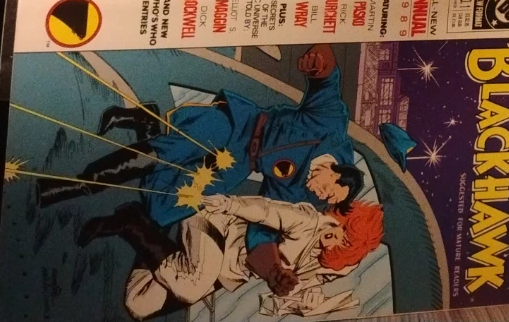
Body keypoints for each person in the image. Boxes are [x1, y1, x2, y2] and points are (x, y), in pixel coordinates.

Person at [41, 46, 358, 236]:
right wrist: (319, 61)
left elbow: (265, 220)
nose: (321, 194)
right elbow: (327, 74)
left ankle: (145, 122)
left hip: (238, 163)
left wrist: (271, 266)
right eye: (329, 190)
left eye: (326, 198)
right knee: (168, 152)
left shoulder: (301, 192)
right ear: (336, 171)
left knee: (164, 209)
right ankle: (73, 186)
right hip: (237, 124)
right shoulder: (330, 123)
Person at [118, 180, 383, 318]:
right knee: (190, 287)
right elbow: (265, 210)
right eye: (342, 228)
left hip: (228, 269)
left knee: (139, 303)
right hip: (217, 226)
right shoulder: (307, 221)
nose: (334, 236)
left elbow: (269, 304)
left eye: (344, 244)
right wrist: (228, 204)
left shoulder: (331, 268)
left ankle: (149, 225)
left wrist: (301, 305)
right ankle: (132, 222)